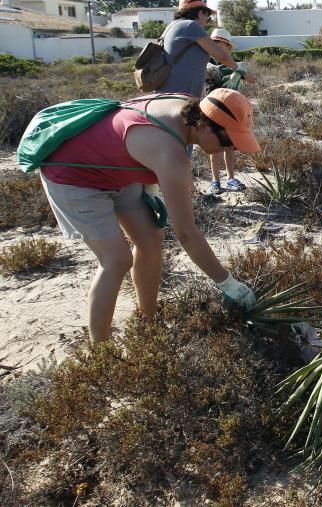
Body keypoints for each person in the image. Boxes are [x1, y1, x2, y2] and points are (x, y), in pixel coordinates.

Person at [37, 89, 261, 342]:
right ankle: (101, 352)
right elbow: (187, 234)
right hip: (72, 173)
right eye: (228, 141)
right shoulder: (171, 156)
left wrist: (147, 185)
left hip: (115, 167)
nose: (232, 148)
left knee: (151, 239)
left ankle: (148, 323)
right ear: (203, 124)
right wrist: (227, 283)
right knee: (116, 260)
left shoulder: (186, 105)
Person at [158, 0, 256, 142]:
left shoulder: (172, 27)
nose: (206, 22)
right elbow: (221, 55)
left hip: (166, 96)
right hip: (180, 99)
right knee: (182, 144)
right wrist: (243, 72)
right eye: (207, 17)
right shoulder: (190, 26)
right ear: (199, 13)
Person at [205, 27, 247, 194]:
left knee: (229, 147)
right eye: (214, 43)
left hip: (230, 111)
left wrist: (238, 72)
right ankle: (215, 181)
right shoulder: (206, 63)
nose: (218, 47)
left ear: (228, 47)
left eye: (221, 44)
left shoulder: (235, 64)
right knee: (214, 147)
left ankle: (230, 178)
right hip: (211, 110)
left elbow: (247, 76)